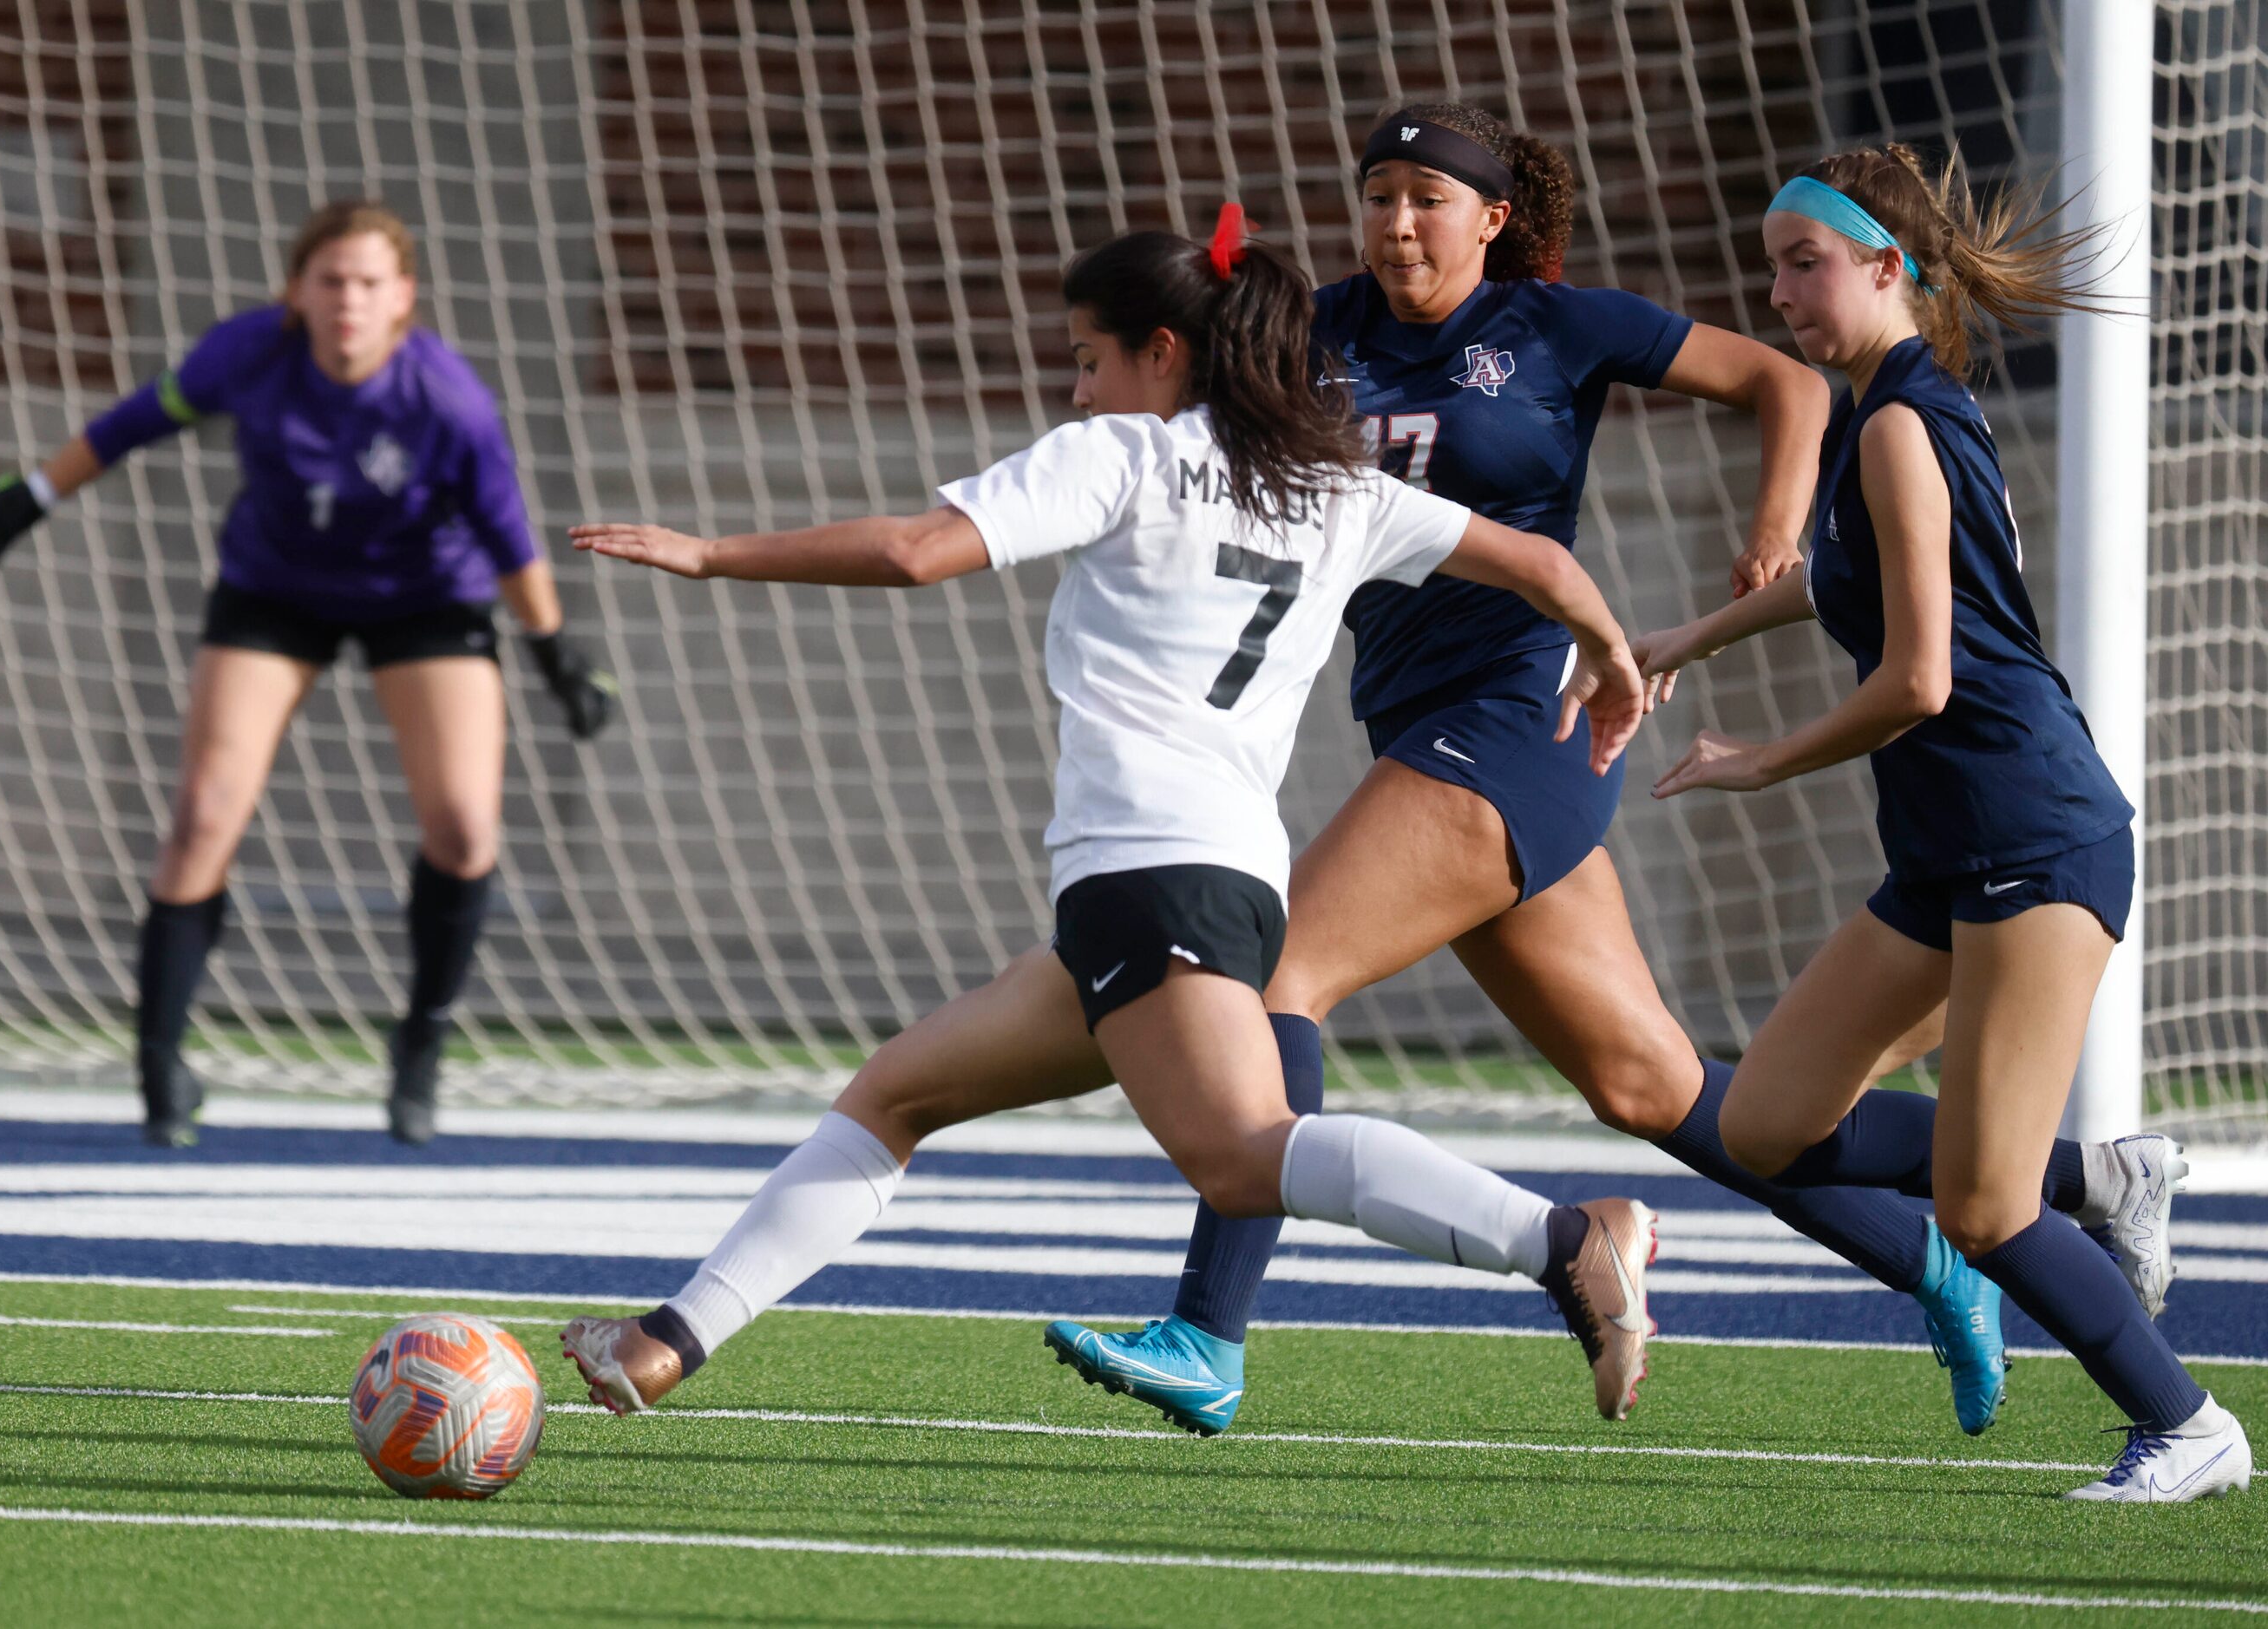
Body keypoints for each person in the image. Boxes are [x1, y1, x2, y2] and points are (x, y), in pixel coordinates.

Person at [1044, 101, 2147, 1441]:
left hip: (1523, 722)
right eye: (1378, 195)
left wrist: (1776, 532)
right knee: (1655, 1088)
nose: (1399, 222)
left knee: (1285, 976)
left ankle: (1208, 1333)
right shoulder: (1316, 329)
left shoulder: (1554, 327)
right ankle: (1977, 1237)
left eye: (1427, 199)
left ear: (1492, 219)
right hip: (1417, 730)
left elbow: (1786, 385)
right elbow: (1178, 368)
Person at [560, 216, 1666, 1424]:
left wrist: (715, 552)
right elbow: (1545, 569)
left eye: (1091, 358)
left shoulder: (1124, 455)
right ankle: (667, 1339)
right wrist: (1611, 661)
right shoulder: (1342, 491)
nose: (1079, 386)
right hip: (1214, 881)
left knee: (1246, 1152)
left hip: (1152, 869)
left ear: (1165, 352)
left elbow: (921, 551)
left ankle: (1567, 1236)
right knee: (895, 1096)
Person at [1636, 146, 2244, 1502]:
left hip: (2034, 837)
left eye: (1806, 261)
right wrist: (1697, 631)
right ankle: (2105, 1174)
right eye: (1773, 261)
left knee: (1981, 1205)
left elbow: (1921, 679)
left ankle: (2187, 1421)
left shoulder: (1906, 420)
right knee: (1771, 1124)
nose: (1780, 288)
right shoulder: (1882, 410)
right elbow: (1833, 579)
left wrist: (1762, 761)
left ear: (1887, 265)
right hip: (1946, 850)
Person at [0, 200, 618, 1148]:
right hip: (274, 592)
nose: (347, 300)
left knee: (465, 827)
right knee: (201, 816)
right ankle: (161, 1062)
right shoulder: (248, 356)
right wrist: (18, 506)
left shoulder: (447, 401)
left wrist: (552, 651)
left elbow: (510, 540)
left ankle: (420, 1044)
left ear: (403, 298)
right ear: (296, 290)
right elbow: (123, 429)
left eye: (368, 283)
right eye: (329, 281)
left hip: (426, 600)